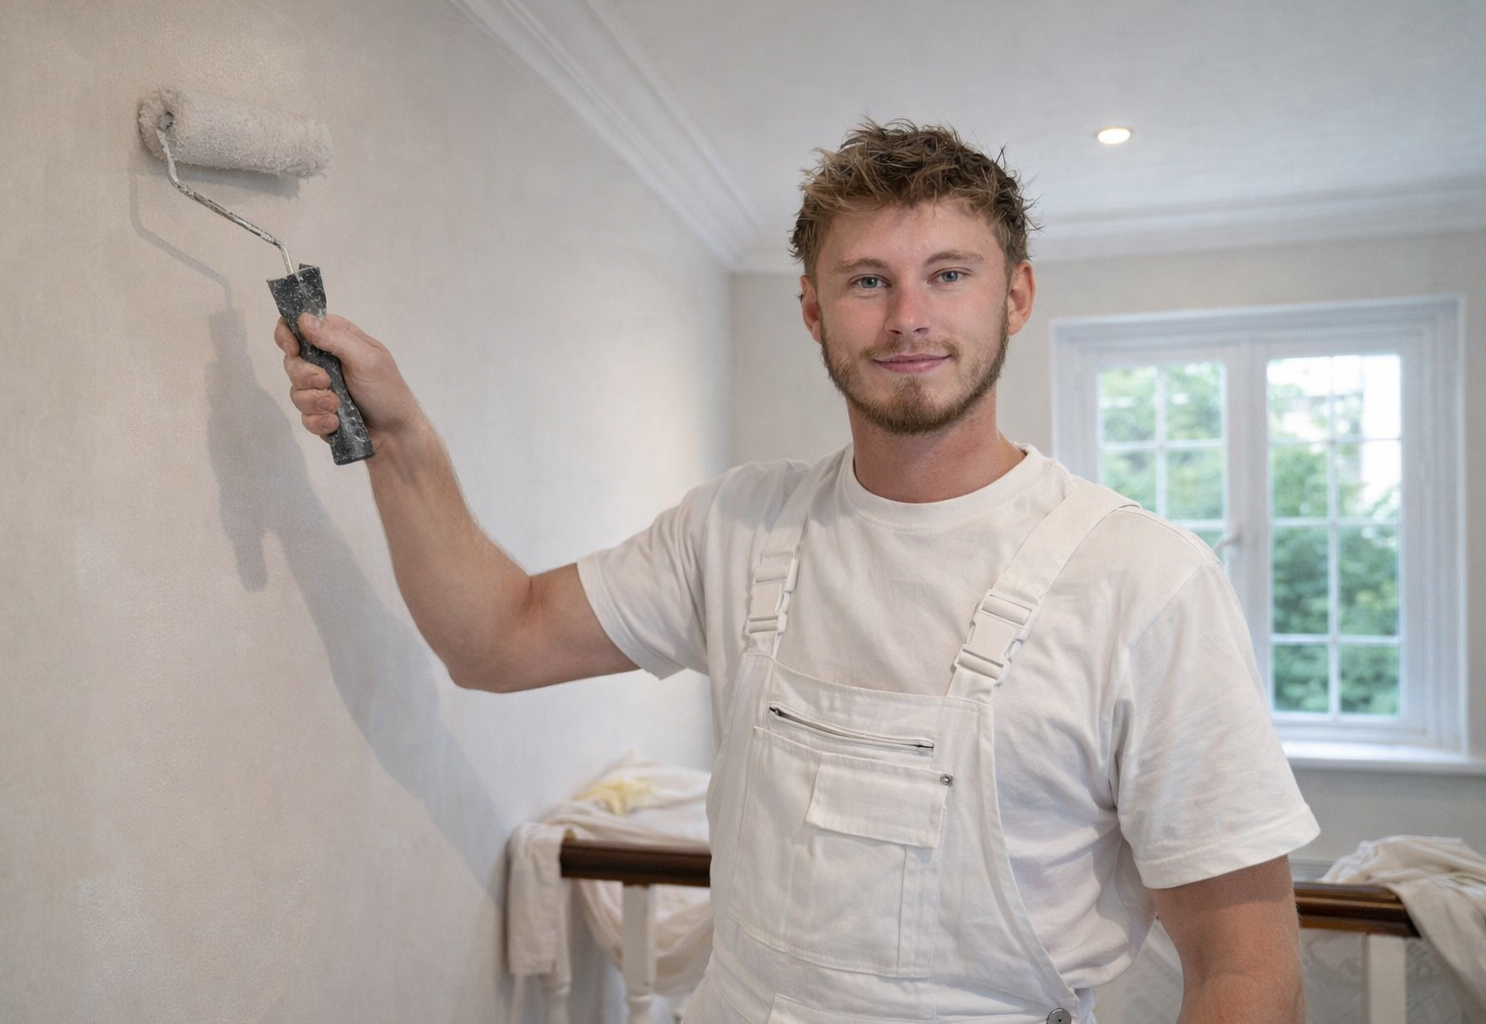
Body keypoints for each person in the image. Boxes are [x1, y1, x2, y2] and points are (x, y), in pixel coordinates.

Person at [277, 120, 1320, 1023]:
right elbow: (493, 638)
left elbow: (1247, 967)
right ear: (815, 312)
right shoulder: (737, 525)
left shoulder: (1145, 580)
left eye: (948, 274)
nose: (909, 316)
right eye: (869, 280)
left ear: (1016, 297)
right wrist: (403, 435)